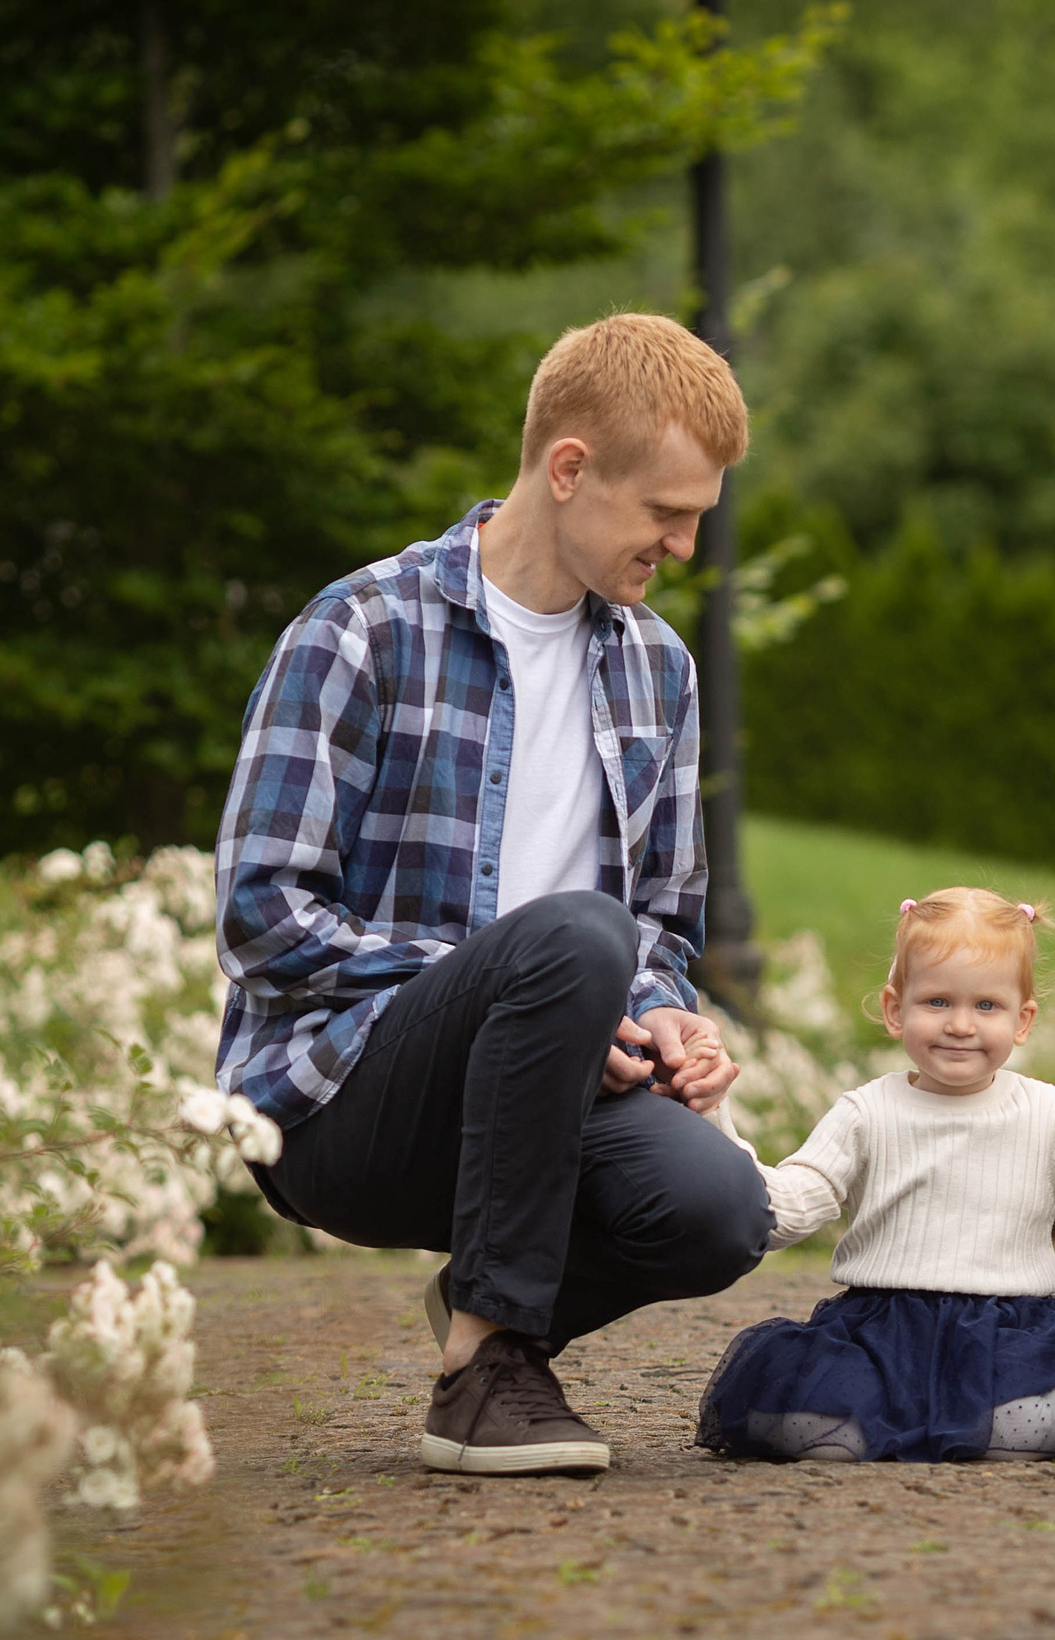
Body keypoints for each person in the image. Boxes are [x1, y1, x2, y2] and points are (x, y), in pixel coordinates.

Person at [214, 313, 775, 1478]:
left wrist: (659, 1014)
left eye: (697, 518)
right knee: (571, 939)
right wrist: (520, 989)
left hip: (556, 1093)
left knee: (722, 1209)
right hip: (342, 1107)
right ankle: (481, 1376)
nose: (682, 545)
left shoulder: (658, 668)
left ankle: (492, 1308)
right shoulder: (360, 629)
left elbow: (661, 929)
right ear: (568, 469)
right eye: (664, 512)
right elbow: (261, 914)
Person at [697, 889, 1055, 1463]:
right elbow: (784, 1212)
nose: (961, 1025)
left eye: (987, 1006)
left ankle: (982, 1426)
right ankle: (913, 1427)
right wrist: (714, 1117)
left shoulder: (1048, 1114)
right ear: (896, 1010)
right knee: (809, 1424)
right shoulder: (866, 1113)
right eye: (938, 1001)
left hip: (1010, 1335)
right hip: (881, 1333)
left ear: (1022, 1020)